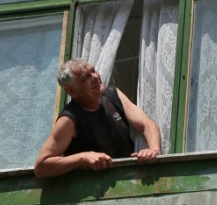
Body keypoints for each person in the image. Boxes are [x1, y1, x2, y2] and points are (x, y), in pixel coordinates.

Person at [34, 58, 162, 178]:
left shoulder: (113, 95)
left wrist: (154, 150)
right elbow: (41, 167)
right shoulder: (69, 120)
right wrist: (83, 157)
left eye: (93, 71)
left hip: (130, 182)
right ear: (71, 91)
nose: (95, 77)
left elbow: (147, 124)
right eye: (85, 78)